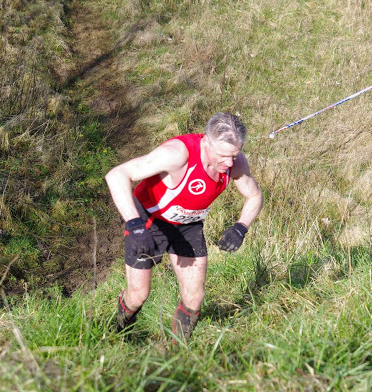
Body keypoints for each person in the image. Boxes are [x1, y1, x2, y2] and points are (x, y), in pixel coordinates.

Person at [105, 112, 263, 341]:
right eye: (223, 156)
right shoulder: (177, 154)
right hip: (149, 221)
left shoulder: (235, 164)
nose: (229, 163)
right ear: (206, 142)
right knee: (138, 295)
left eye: (234, 155)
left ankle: (177, 351)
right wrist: (134, 224)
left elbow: (254, 195)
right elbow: (117, 175)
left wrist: (241, 227)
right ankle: (117, 335)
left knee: (194, 297)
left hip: (189, 226)